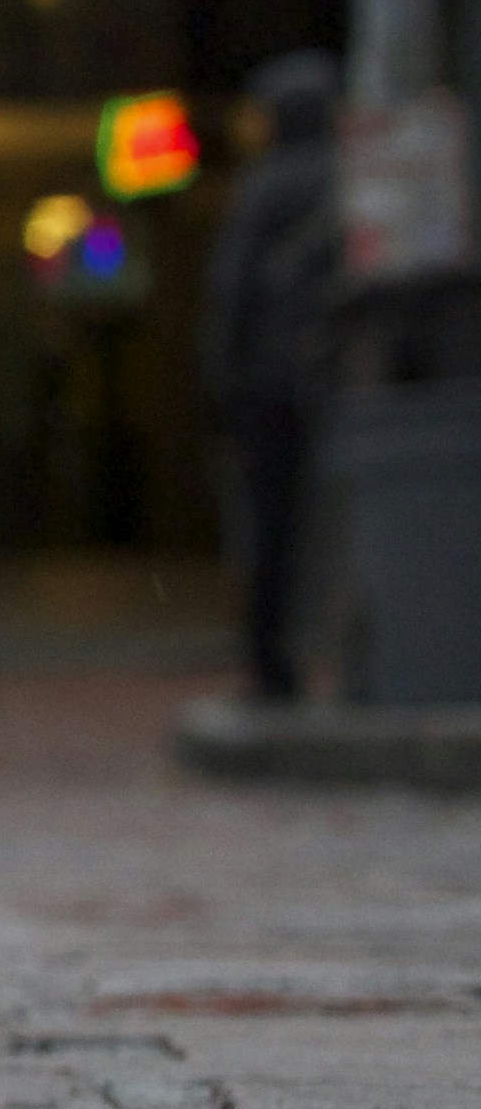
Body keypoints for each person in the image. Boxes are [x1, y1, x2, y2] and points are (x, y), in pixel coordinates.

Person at [204, 51, 350, 702]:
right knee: (333, 524)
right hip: (343, 380)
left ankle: (275, 665)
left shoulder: (267, 184)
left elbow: (230, 287)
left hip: (269, 385)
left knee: (273, 529)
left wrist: (220, 376)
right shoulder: (344, 179)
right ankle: (337, 656)